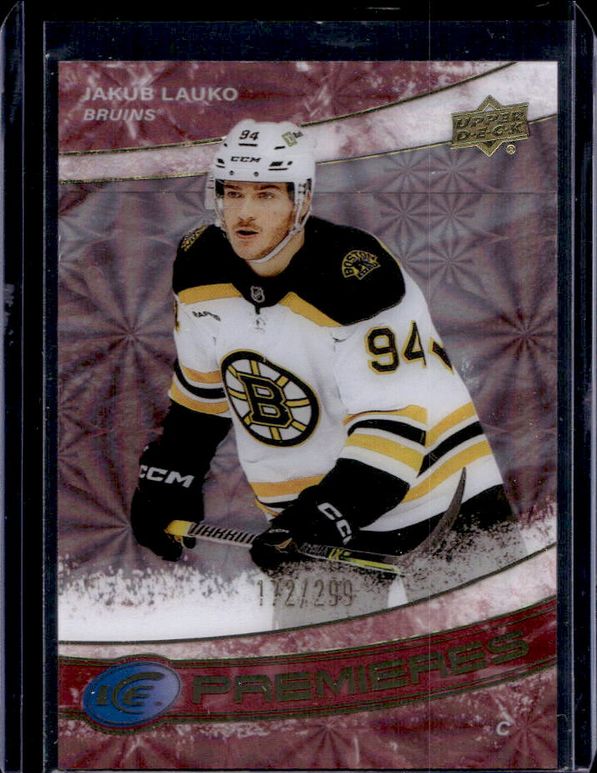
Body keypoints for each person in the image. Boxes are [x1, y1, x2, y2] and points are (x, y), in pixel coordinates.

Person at [130, 118, 514, 571]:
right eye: (233, 193)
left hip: (443, 502)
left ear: (303, 200)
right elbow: (201, 395)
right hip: (304, 520)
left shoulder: (355, 277)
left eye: (265, 195)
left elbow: (394, 431)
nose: (244, 213)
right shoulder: (199, 269)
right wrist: (170, 478)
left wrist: (320, 519)